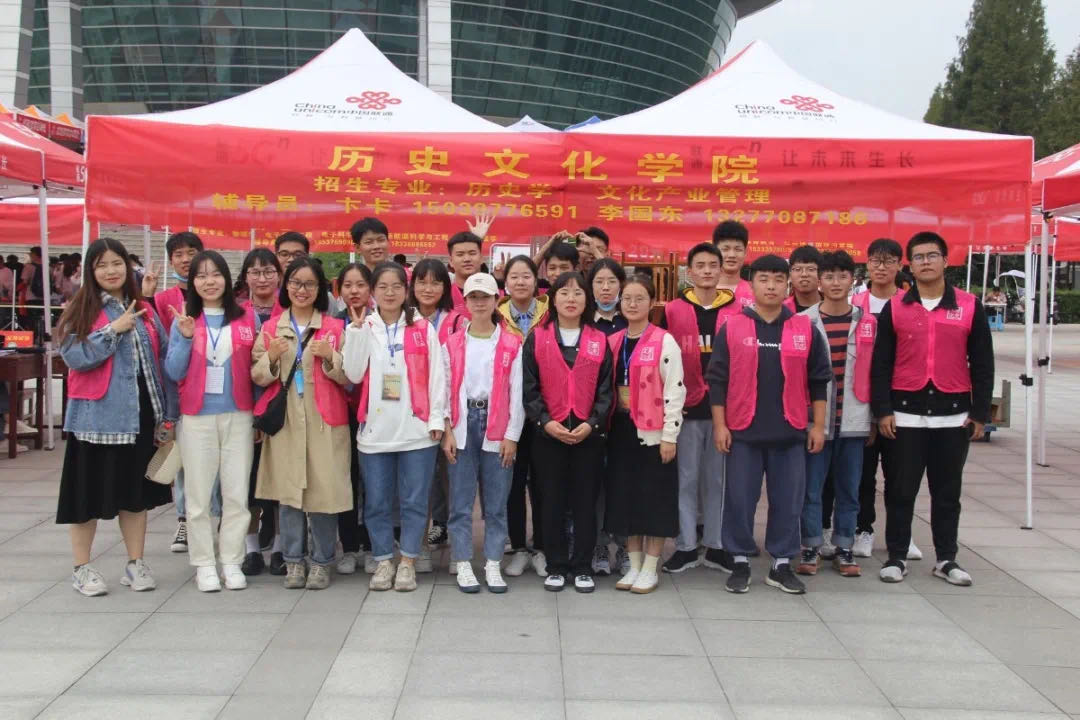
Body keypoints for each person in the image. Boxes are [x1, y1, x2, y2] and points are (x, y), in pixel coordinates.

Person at [55, 238, 176, 596]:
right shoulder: (80, 308)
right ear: (91, 271)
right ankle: (82, 568)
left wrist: (167, 414)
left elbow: (162, 359)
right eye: (102, 265)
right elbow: (74, 357)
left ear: (128, 266)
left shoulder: (144, 309)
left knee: (135, 497)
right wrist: (112, 330)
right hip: (96, 422)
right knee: (85, 498)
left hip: (140, 418)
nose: (111, 271)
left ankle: (135, 563)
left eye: (117, 263)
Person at [872, 232, 994, 586]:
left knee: (947, 493)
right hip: (904, 413)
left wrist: (980, 413)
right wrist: (883, 410)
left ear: (945, 260)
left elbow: (983, 363)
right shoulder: (896, 307)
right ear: (909, 265)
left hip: (953, 414)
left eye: (932, 255)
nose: (925, 262)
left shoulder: (969, 305)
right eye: (919, 257)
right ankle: (896, 556)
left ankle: (946, 558)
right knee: (900, 490)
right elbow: (881, 363)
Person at [708, 254, 831, 595]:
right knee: (739, 499)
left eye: (778, 279)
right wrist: (720, 426)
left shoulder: (804, 328)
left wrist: (818, 426)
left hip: (790, 431)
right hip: (743, 431)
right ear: (752, 284)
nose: (772, 286)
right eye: (764, 279)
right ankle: (740, 560)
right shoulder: (733, 326)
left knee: (788, 500)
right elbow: (716, 380)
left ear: (787, 285)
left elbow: (819, 381)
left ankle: (781, 564)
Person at [342, 262, 447, 593]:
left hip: (416, 431)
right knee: (377, 502)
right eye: (382, 287)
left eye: (396, 286)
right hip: (375, 433)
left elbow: (438, 376)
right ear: (373, 292)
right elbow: (353, 374)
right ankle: (384, 559)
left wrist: (436, 418)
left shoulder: (422, 329)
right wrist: (356, 333)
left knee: (414, 501)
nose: (390, 293)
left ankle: (408, 562)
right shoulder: (363, 327)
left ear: (406, 290)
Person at [251, 257, 351, 590]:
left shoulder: (334, 328)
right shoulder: (270, 328)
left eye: (309, 284)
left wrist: (331, 356)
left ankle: (321, 562)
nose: (302, 290)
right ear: (286, 286)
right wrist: (271, 356)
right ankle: (293, 562)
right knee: (289, 494)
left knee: (324, 494)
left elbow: (350, 377)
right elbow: (257, 375)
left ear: (320, 288)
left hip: (324, 420)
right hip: (287, 422)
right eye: (295, 283)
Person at [165, 251, 257, 592]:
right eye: (201, 276)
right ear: (192, 282)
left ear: (226, 279)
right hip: (197, 418)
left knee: (236, 493)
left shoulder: (246, 317)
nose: (209, 281)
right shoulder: (186, 319)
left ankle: (231, 561)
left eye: (215, 274)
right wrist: (186, 338)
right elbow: (173, 370)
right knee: (199, 496)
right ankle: (204, 563)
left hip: (239, 415)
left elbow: (256, 367)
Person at [523, 271, 613, 593]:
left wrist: (592, 423)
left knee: (586, 501)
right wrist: (545, 421)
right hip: (548, 433)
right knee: (552, 501)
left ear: (587, 300)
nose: (571, 299)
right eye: (564, 293)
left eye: (577, 293)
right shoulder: (538, 337)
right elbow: (529, 388)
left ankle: (583, 566)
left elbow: (606, 391)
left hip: (589, 434)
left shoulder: (598, 339)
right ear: (553, 299)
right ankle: (557, 564)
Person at [441, 273, 524, 593]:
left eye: (485, 297)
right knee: (460, 502)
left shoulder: (511, 343)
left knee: (496, 503)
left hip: (497, 425)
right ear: (465, 301)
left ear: (496, 301)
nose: (479, 303)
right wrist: (447, 430)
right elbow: (444, 388)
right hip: (463, 424)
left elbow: (517, 393)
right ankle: (463, 561)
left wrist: (512, 435)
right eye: (473, 297)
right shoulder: (452, 343)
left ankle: (492, 562)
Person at [795, 251, 875, 579]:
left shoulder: (867, 322)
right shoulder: (803, 322)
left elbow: (877, 372)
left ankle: (844, 546)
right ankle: (811, 545)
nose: (836, 282)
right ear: (819, 282)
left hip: (855, 418)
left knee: (849, 489)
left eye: (843, 276)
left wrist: (875, 417)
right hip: (816, 422)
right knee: (811, 489)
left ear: (852, 280)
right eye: (829, 276)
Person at [606, 274, 685, 594]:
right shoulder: (614, 341)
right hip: (621, 428)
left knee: (655, 499)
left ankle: (651, 567)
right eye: (627, 298)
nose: (632, 304)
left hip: (653, 431)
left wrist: (669, 436)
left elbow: (675, 389)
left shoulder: (664, 340)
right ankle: (634, 565)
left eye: (640, 298)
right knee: (626, 498)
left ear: (652, 303)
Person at [660, 243, 735, 574]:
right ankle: (686, 546)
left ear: (721, 269)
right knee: (686, 480)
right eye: (700, 265)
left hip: (723, 413)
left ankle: (716, 545)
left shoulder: (737, 310)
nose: (706, 271)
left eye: (712, 265)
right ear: (689, 272)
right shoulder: (673, 310)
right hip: (686, 411)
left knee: (717, 481)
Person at [140, 231, 208, 554]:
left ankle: (212, 518)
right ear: (171, 261)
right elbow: (150, 340)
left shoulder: (213, 292)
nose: (185, 259)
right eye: (178, 254)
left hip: (211, 390)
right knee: (181, 460)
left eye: (191, 252)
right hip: (175, 393)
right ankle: (183, 519)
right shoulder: (162, 299)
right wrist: (146, 297)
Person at [847, 237, 912, 560]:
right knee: (863, 473)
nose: (882, 267)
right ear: (867, 263)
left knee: (901, 474)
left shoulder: (909, 304)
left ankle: (902, 535)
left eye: (889, 261)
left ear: (900, 265)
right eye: (876, 260)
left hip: (900, 400)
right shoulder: (855, 304)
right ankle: (864, 529)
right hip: (861, 399)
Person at [408, 258, 466, 563]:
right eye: (422, 281)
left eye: (435, 282)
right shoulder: (403, 320)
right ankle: (417, 548)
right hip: (412, 412)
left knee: (452, 480)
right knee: (419, 484)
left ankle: (458, 548)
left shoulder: (457, 322)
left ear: (446, 287)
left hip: (449, 412)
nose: (428, 288)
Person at [232, 248, 284, 576]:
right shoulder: (236, 313)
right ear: (246, 277)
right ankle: (251, 549)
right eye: (255, 272)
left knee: (280, 482)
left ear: (279, 276)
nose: (262, 278)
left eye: (268, 272)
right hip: (243, 409)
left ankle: (280, 546)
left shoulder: (291, 311)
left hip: (283, 411)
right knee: (247, 483)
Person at [497, 255, 550, 578]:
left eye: (526, 276)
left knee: (543, 482)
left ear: (535, 281)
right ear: (505, 284)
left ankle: (541, 547)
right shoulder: (496, 314)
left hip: (545, 409)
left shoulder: (550, 313)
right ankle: (518, 547)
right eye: (514, 277)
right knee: (513, 483)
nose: (520, 282)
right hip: (509, 411)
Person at [586, 257, 629, 576]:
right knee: (596, 483)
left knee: (624, 482)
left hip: (628, 417)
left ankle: (625, 545)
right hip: (594, 417)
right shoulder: (585, 323)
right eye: (599, 282)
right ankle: (599, 543)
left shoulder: (631, 320)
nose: (605, 288)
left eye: (611, 281)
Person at [334, 263, 375, 576]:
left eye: (360, 284)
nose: (354, 291)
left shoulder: (380, 322)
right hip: (340, 411)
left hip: (375, 412)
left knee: (373, 481)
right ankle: (348, 546)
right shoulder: (332, 324)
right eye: (348, 285)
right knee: (346, 478)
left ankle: (373, 545)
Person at [712, 221, 754, 311]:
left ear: (745, 252)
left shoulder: (755, 292)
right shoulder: (703, 291)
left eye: (738, 249)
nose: (732, 255)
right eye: (725, 249)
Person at [446, 231, 484, 317]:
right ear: (451, 261)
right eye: (460, 254)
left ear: (481, 258)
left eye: (472, 253)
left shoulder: (495, 294)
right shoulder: (443, 296)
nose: (467, 259)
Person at [785, 245, 823, 312]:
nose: (804, 274)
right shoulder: (781, 310)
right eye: (798, 269)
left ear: (821, 273)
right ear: (790, 274)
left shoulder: (833, 305)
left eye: (811, 269)